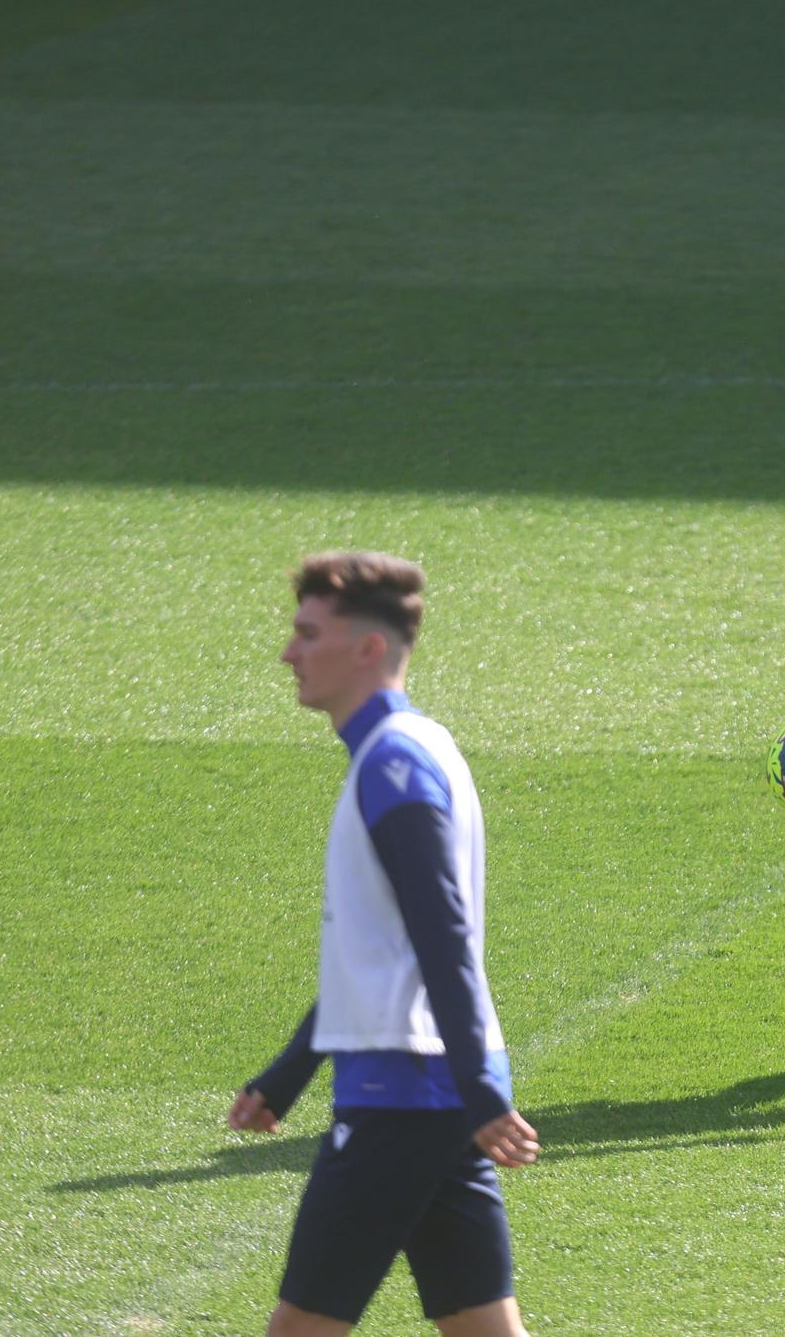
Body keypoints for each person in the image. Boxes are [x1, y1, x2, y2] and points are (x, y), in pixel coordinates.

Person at [228, 552, 539, 1335]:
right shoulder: (406, 749)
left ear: (366, 648)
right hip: (431, 1089)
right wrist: (288, 1073)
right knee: (483, 1326)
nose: (287, 653)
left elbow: (445, 938)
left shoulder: (395, 764)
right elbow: (379, 952)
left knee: (300, 1327)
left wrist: (479, 1088)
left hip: (406, 1092)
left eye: (306, 633)